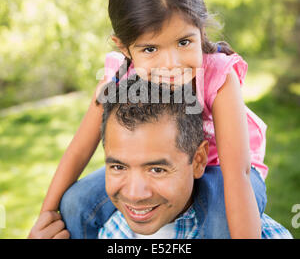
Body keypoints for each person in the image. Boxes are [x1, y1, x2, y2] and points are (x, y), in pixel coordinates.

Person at [35, 0, 272, 238]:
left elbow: (239, 174)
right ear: (124, 48)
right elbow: (79, 150)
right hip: (160, 164)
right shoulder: (118, 75)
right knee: (76, 204)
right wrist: (46, 216)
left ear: (201, 30)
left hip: (220, 167)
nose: (171, 63)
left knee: (220, 218)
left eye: (184, 42)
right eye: (150, 48)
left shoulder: (218, 77)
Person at [28, 78, 293, 239]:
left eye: (156, 169)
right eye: (118, 166)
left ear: (199, 160)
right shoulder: (105, 227)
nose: (135, 194)